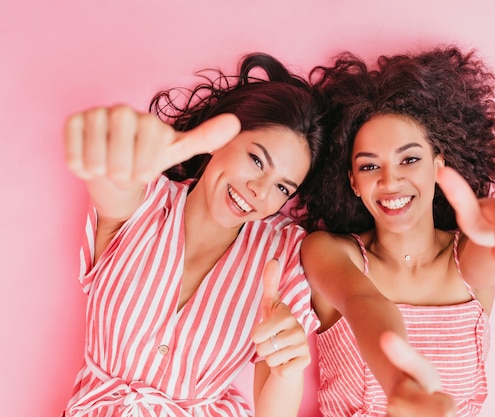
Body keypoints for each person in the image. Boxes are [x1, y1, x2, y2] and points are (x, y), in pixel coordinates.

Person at [296, 46, 495, 417]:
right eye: (369, 167)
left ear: (438, 164)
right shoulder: (329, 252)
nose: (390, 180)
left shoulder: (466, 259)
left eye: (409, 159)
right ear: (352, 181)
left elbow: (492, 248)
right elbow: (364, 302)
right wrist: (400, 383)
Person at [62, 53, 326, 417]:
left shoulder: (282, 255)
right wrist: (121, 159)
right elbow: (112, 185)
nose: (259, 192)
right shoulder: (147, 201)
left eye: (282, 188)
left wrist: (289, 367)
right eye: (256, 160)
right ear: (219, 140)